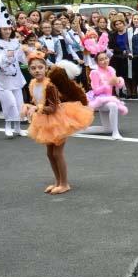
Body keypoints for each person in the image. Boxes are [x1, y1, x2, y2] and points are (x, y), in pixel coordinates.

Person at [23, 56, 94, 195]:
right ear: (29, 70)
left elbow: (53, 108)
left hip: (58, 120)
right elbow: (38, 101)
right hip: (44, 120)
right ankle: (57, 181)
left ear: (45, 68)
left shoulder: (49, 85)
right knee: (50, 153)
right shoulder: (32, 84)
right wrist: (28, 106)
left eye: (40, 67)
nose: (37, 70)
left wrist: (37, 108)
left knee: (57, 152)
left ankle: (64, 183)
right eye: (33, 68)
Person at [83, 34, 127, 140]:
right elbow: (96, 91)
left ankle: (80, 130)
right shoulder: (94, 72)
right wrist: (108, 84)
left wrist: (119, 81)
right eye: (101, 60)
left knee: (107, 129)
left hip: (107, 98)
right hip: (97, 99)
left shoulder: (111, 69)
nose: (105, 61)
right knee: (113, 105)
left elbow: (117, 84)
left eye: (106, 58)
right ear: (97, 62)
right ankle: (115, 133)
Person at [0, 16, 26, 138]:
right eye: (5, 29)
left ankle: (18, 128)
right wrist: (4, 56)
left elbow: (22, 58)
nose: (8, 31)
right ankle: (8, 126)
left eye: (9, 29)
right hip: (4, 80)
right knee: (10, 103)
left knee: (19, 103)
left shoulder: (15, 42)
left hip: (16, 78)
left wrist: (30, 53)